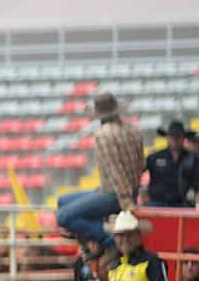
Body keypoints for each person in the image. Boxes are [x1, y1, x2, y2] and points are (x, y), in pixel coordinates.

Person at [55, 92, 144, 252]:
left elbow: (116, 170)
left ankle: (109, 239)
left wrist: (126, 203)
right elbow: (139, 164)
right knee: (63, 201)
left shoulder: (103, 134)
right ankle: (98, 235)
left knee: (63, 216)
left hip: (115, 194)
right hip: (128, 191)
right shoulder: (133, 130)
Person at [145, 120, 199, 208]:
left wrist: (198, 205)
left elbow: (198, 185)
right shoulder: (155, 157)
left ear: (183, 138)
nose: (175, 140)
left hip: (179, 204)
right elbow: (138, 171)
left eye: (178, 137)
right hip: (156, 203)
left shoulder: (192, 159)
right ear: (167, 137)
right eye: (172, 136)